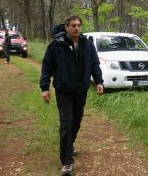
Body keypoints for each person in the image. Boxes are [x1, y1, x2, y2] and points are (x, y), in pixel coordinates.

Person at [39, 15, 104, 175]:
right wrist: (45, 87)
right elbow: (47, 66)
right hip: (63, 91)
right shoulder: (56, 45)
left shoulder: (87, 45)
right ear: (66, 27)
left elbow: (95, 64)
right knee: (66, 124)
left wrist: (99, 82)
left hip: (80, 91)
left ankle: (69, 145)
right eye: (73, 25)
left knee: (76, 122)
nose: (76, 28)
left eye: (78, 25)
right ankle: (67, 161)